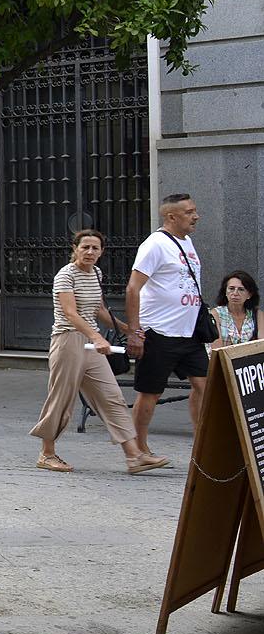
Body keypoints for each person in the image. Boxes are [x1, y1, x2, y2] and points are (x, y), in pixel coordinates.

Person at [30, 230, 167, 474]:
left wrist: (129, 330)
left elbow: (99, 310)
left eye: (95, 248)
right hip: (68, 341)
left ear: (102, 252)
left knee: (111, 396)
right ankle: (47, 454)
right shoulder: (65, 275)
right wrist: (96, 336)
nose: (90, 252)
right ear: (75, 249)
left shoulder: (95, 273)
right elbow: (71, 313)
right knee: (61, 398)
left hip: (92, 345)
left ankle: (134, 456)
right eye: (85, 247)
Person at [125, 194, 208, 457]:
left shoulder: (187, 242)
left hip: (189, 332)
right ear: (172, 217)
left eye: (195, 211)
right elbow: (132, 288)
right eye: (189, 212)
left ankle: (202, 442)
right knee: (151, 392)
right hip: (159, 332)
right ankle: (139, 449)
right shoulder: (155, 245)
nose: (196, 216)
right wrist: (136, 332)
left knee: (205, 385)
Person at [212, 270, 259, 349]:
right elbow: (217, 350)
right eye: (231, 288)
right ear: (225, 292)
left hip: (251, 360)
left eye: (241, 289)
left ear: (249, 295)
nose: (235, 293)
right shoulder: (215, 314)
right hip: (223, 360)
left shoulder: (257, 315)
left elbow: (261, 345)